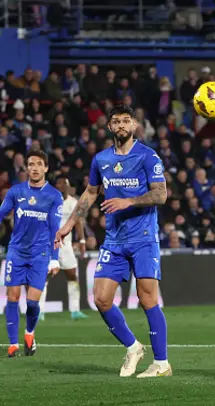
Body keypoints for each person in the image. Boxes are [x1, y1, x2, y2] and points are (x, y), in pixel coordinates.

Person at [55, 105, 171, 378]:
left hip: (143, 238)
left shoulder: (147, 156)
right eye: (116, 121)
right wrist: (68, 225)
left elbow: (161, 194)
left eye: (126, 121)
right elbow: (90, 193)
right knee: (101, 298)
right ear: (109, 127)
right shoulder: (101, 159)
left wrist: (128, 201)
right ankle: (133, 347)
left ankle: (162, 363)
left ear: (134, 126)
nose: (121, 125)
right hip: (115, 240)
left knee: (147, 299)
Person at [0, 149, 63, 357]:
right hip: (17, 252)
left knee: (32, 302)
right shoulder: (16, 192)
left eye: (38, 164)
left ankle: (29, 333)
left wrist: (54, 259)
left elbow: (55, 229)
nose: (34, 168)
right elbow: (1, 214)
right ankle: (13, 344)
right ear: (26, 168)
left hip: (40, 255)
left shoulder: (54, 196)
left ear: (46, 168)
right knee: (13, 296)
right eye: (30, 164)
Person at [39, 176, 88, 321]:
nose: (62, 186)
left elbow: (78, 221)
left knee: (72, 275)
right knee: (44, 276)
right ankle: (39, 311)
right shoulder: (49, 200)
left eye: (65, 184)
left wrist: (82, 240)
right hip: (49, 243)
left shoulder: (73, 202)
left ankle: (75, 311)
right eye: (59, 184)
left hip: (66, 246)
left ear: (68, 186)